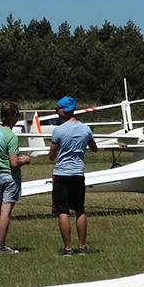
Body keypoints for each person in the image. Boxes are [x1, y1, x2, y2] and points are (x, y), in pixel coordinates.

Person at [49, 96, 98, 256]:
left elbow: (52, 155)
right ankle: (82, 247)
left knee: (63, 211)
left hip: (62, 173)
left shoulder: (58, 130)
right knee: (79, 210)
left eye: (58, 109)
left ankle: (68, 248)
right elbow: (94, 148)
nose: (57, 112)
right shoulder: (86, 129)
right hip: (78, 173)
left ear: (65, 110)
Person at [0, 102, 32, 254]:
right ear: (14, 116)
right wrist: (24, 160)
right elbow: (14, 163)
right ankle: (1, 245)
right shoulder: (11, 137)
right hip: (9, 177)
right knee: (6, 210)